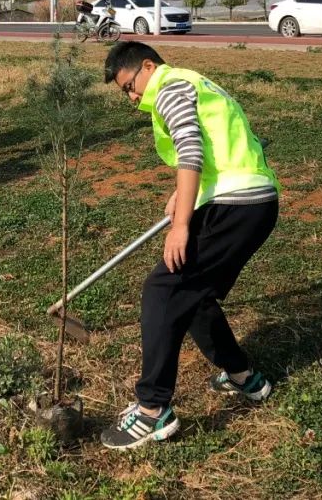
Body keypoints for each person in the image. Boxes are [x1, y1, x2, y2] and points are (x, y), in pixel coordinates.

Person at [100, 41, 279, 450]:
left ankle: (152, 410)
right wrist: (186, 196)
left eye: (131, 85)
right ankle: (243, 376)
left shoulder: (168, 88)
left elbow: (192, 149)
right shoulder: (194, 84)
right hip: (252, 202)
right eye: (125, 93)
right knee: (194, 295)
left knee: (163, 289)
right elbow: (212, 147)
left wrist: (181, 224)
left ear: (149, 65)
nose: (132, 98)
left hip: (234, 205)